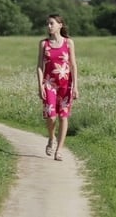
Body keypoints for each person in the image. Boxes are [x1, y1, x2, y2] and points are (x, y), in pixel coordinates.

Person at [36, 14, 78, 161]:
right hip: (49, 83)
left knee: (63, 116)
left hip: (66, 85)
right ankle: (51, 137)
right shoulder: (43, 44)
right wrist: (40, 85)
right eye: (47, 24)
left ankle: (59, 150)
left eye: (51, 23)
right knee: (51, 115)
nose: (49, 26)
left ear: (60, 25)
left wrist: (76, 87)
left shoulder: (69, 43)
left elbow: (73, 65)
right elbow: (40, 66)